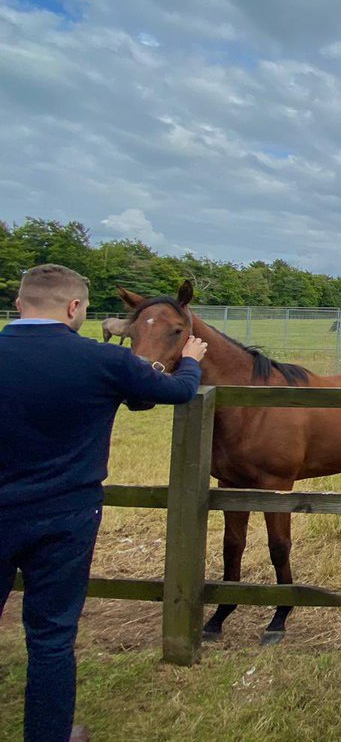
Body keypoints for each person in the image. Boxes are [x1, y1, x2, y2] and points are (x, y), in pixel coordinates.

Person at [0, 265, 207, 742]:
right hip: (64, 516)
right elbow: (175, 390)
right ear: (74, 308)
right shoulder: (100, 361)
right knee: (51, 636)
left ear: (19, 304)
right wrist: (191, 358)